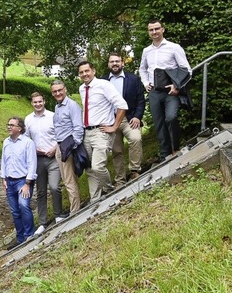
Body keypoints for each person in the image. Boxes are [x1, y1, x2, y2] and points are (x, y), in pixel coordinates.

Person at [139, 19, 192, 161]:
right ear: (148, 32)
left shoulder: (174, 47)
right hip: (154, 92)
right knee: (159, 123)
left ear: (163, 29)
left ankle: (175, 149)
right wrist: (145, 83)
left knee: (171, 117)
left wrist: (177, 86)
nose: (154, 32)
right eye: (151, 30)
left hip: (171, 92)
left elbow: (187, 70)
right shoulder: (146, 51)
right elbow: (142, 69)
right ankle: (165, 155)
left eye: (157, 29)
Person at [78, 61, 128, 202]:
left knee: (98, 166)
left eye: (87, 71)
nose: (84, 74)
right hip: (87, 132)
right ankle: (95, 199)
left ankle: (109, 190)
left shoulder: (104, 85)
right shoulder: (82, 88)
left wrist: (114, 126)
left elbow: (122, 105)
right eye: (81, 72)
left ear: (93, 70)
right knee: (89, 169)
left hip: (101, 131)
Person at [101, 53, 146, 187]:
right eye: (112, 62)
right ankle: (120, 180)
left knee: (136, 139)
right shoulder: (102, 82)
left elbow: (140, 100)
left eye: (117, 61)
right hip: (111, 120)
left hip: (129, 118)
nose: (114, 64)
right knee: (116, 151)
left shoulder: (133, 79)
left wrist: (138, 116)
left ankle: (134, 171)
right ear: (108, 64)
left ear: (122, 63)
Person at [24, 92, 64, 234]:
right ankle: (42, 222)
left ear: (44, 101)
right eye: (35, 102)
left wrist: (55, 148)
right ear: (32, 103)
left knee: (54, 187)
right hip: (38, 159)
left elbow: (61, 135)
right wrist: (35, 150)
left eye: (40, 101)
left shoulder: (53, 116)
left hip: (53, 157)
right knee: (40, 191)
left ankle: (58, 215)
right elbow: (26, 140)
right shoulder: (28, 120)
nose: (38, 104)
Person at [0, 116, 37, 248]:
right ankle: (20, 239)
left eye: (12, 125)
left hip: (23, 181)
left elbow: (32, 164)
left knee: (23, 206)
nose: (9, 127)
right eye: (8, 124)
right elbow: (4, 161)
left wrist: (27, 183)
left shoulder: (28, 143)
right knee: (15, 211)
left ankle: (29, 235)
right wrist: (3, 178)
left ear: (19, 128)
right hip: (9, 181)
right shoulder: (6, 142)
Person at [51, 80, 83, 214]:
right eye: (54, 91)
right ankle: (74, 208)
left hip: (67, 146)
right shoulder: (57, 107)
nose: (58, 93)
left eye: (60, 90)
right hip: (59, 146)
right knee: (67, 180)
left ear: (65, 89)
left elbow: (78, 129)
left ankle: (74, 211)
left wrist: (71, 147)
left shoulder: (72, 106)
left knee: (69, 181)